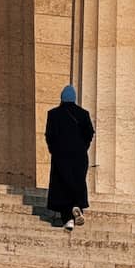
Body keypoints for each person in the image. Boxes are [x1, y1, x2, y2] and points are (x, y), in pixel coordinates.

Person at [45, 85, 94, 231]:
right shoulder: (83, 114)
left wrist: (54, 150)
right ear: (74, 99)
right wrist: (82, 147)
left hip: (61, 155)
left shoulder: (53, 114)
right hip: (79, 155)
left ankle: (68, 220)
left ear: (62, 98)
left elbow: (49, 135)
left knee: (62, 184)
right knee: (77, 181)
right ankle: (76, 206)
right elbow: (90, 133)